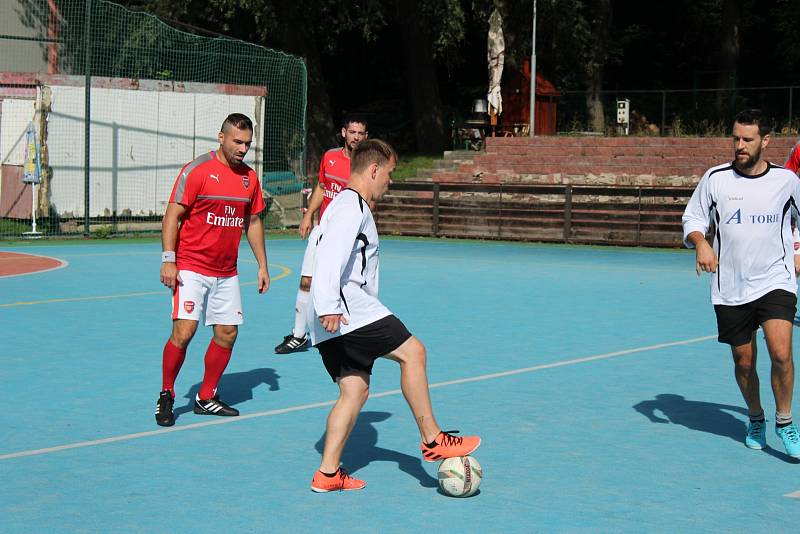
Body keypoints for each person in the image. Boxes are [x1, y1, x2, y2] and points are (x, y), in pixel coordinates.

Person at [308, 139, 481, 492]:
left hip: (334, 317)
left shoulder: (344, 204)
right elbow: (327, 255)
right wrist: (328, 306)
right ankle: (433, 438)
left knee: (353, 392)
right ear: (374, 170)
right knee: (413, 352)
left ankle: (327, 474)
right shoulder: (350, 206)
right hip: (347, 310)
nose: (390, 180)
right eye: (390, 173)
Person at [682, 109, 800, 458]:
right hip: (730, 285)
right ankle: (756, 417)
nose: (740, 145)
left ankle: (785, 421)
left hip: (776, 278)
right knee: (744, 361)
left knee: (781, 353)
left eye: (747, 139)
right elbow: (693, 216)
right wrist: (701, 242)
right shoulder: (716, 178)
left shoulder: (786, 181)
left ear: (765, 141)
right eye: (735, 138)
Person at [155, 113, 270, 427]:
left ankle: (206, 397)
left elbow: (253, 221)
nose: (243, 148)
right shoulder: (197, 171)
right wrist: (169, 258)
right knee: (185, 331)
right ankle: (167, 393)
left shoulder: (250, 178)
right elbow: (172, 215)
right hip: (191, 267)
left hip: (226, 271)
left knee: (227, 333)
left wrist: (262, 264)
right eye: (237, 141)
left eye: (247, 143)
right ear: (221, 138)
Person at [273, 116, 368, 354]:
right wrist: (308, 216)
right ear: (343, 132)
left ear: (366, 137)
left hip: (346, 238)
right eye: (352, 132)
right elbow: (322, 187)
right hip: (322, 231)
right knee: (307, 281)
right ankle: (298, 335)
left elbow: (368, 204)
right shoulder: (330, 157)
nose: (356, 137)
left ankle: (352, 334)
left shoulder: (366, 167)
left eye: (360, 133)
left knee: (344, 286)